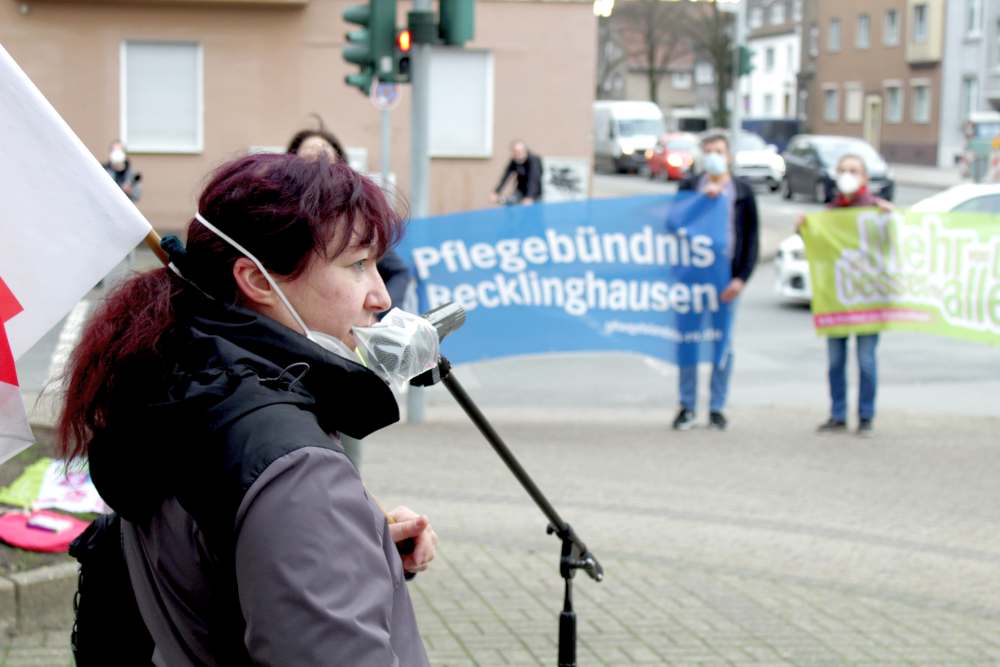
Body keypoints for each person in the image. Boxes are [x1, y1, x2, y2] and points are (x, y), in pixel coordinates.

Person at [57, 153, 435, 665]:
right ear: (256, 280)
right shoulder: (294, 467)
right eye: (356, 265)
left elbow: (219, 562)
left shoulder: (173, 382)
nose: (381, 296)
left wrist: (355, 545)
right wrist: (319, 524)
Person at [797, 154, 892, 436]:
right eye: (843, 170)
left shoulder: (876, 211)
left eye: (853, 170)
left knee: (866, 361)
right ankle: (837, 413)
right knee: (836, 361)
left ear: (864, 178)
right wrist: (804, 229)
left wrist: (890, 221)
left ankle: (866, 415)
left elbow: (890, 249)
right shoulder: (829, 213)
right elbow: (821, 252)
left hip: (867, 298)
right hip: (837, 298)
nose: (847, 175)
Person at [672, 131, 759, 431]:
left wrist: (741, 279)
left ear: (729, 156)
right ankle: (687, 405)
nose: (713, 156)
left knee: (722, 345)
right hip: (691, 281)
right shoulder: (689, 187)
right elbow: (673, 224)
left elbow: (751, 239)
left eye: (718, 151)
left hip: (725, 282)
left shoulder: (743, 192)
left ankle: (717, 407)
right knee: (688, 343)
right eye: (708, 151)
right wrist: (700, 201)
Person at [287, 127, 413, 312]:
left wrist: (385, 317)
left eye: (323, 154)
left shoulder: (354, 220)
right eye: (308, 155)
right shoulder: (281, 217)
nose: (317, 162)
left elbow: (398, 272)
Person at [490, 140, 543, 205]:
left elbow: (534, 179)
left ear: (525, 150)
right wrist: (496, 192)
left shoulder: (534, 160)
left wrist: (529, 196)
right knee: (510, 203)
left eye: (520, 151)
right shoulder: (514, 161)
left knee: (533, 212)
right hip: (520, 191)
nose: (518, 154)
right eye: (516, 152)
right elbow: (505, 176)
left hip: (534, 193)